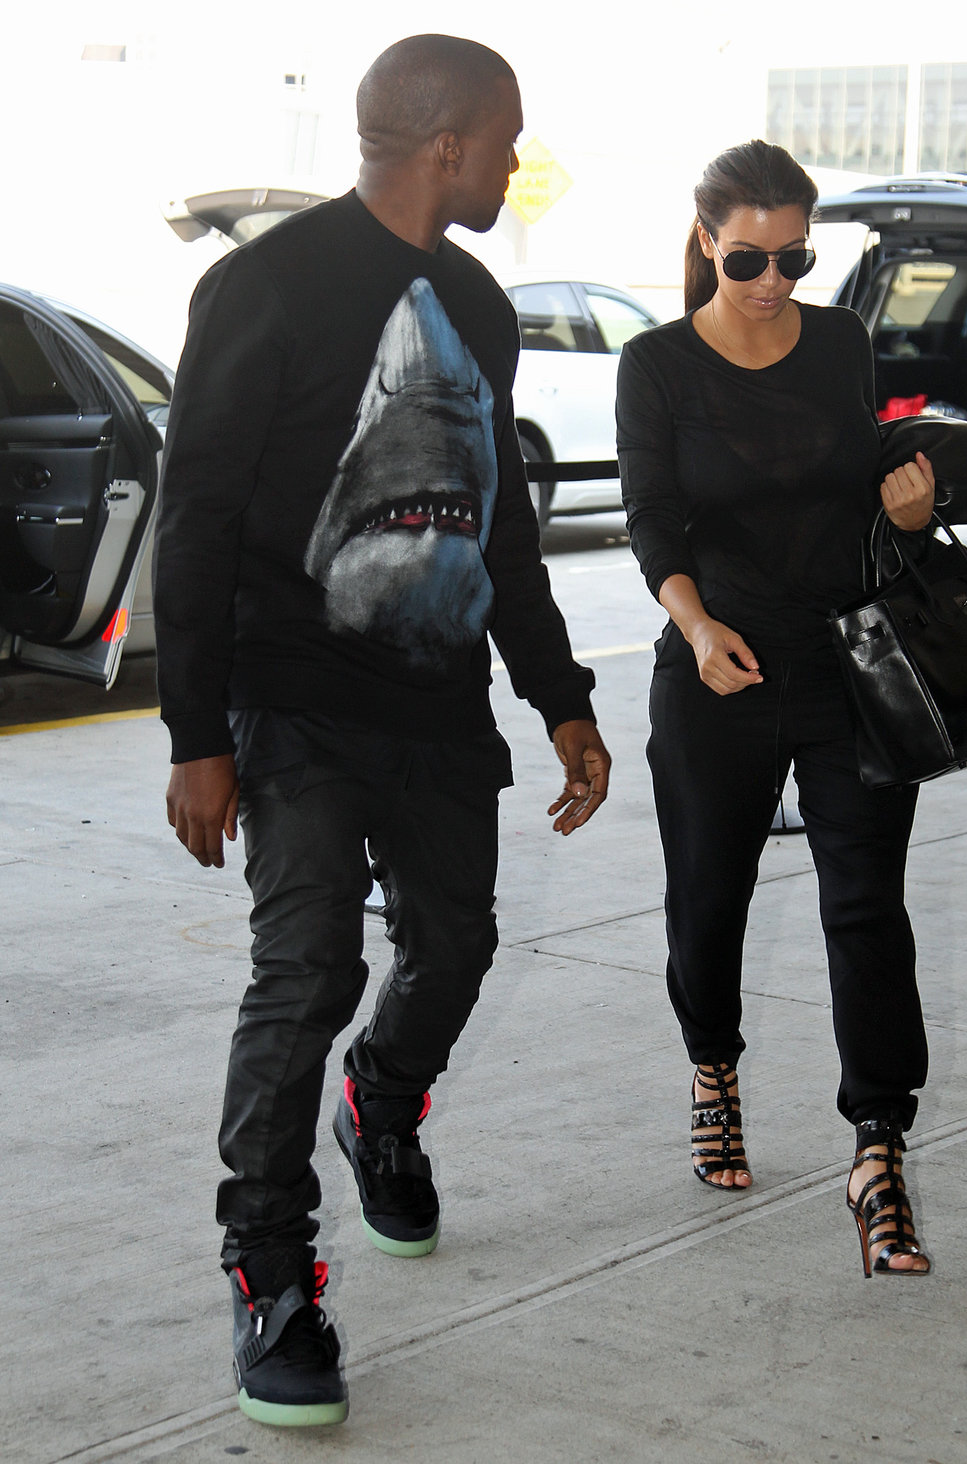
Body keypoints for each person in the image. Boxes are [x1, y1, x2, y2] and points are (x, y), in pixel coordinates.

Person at [154, 35, 611, 1427]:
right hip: (292, 696)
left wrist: (562, 694)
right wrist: (195, 734)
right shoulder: (263, 287)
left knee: (456, 948)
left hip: (436, 697)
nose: (517, 163)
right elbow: (196, 515)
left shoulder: (477, 302)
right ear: (448, 146)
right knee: (307, 969)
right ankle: (270, 1274)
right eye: (507, 139)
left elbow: (501, 521)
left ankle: (385, 1101)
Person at [615, 140, 934, 1278]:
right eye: (748, 257)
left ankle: (878, 1149)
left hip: (849, 665)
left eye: (794, 256)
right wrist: (698, 629)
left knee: (868, 907)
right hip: (720, 670)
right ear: (707, 241)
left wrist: (907, 513)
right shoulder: (656, 363)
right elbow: (651, 518)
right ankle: (714, 1071)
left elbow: (860, 495)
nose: (772, 279)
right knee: (709, 898)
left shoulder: (840, 342)